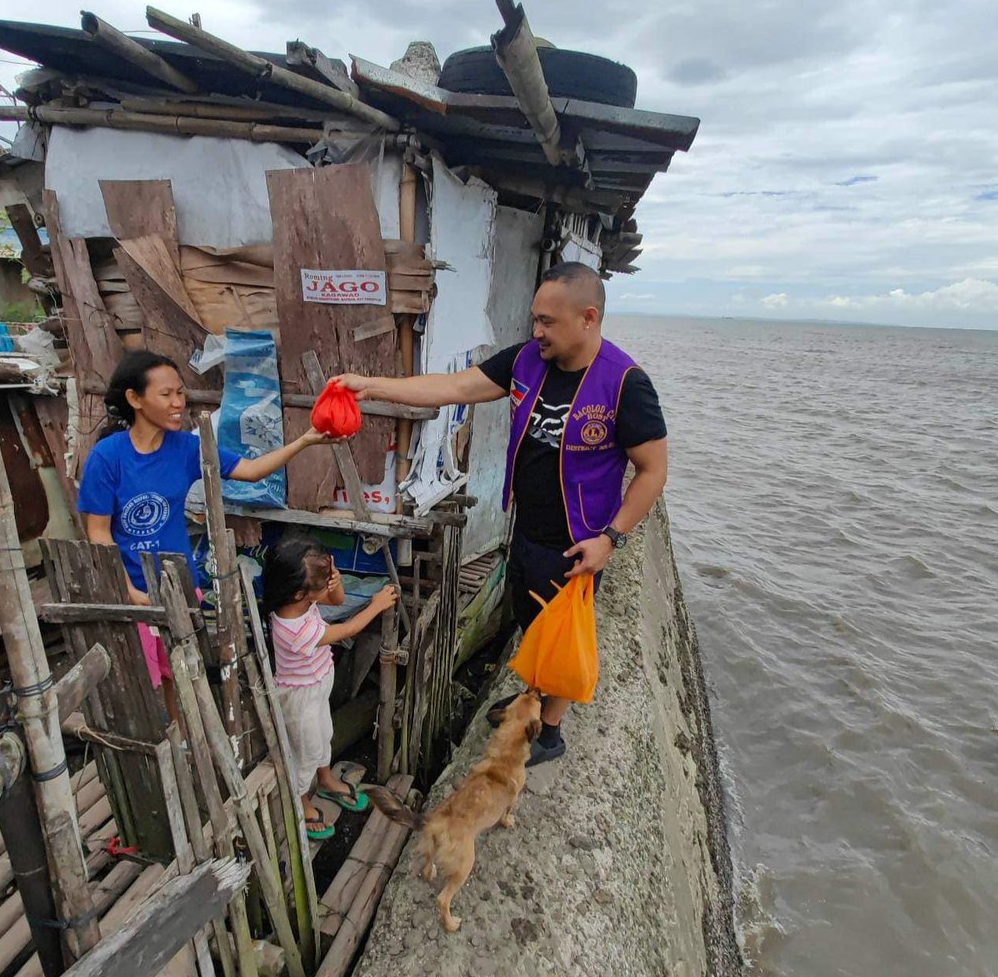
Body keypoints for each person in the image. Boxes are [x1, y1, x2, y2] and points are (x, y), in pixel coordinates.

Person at [336, 261, 668, 767]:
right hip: (527, 528)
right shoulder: (527, 361)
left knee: (560, 637)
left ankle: (549, 733)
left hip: (578, 541)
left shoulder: (626, 384)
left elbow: (652, 472)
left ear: (589, 318)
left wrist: (611, 540)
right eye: (534, 319)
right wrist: (371, 386)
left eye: (547, 322)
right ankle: (529, 699)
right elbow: (454, 388)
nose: (536, 331)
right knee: (532, 624)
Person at [78, 350, 333, 715]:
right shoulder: (108, 457)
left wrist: (304, 441)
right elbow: (99, 533)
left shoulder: (185, 448)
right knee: (135, 679)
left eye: (180, 392)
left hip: (179, 585)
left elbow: (251, 470)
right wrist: (128, 590)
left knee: (177, 673)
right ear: (135, 399)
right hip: (128, 590)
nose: (178, 402)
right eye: (166, 394)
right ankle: (156, 744)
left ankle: (181, 737)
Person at [262, 539, 400, 839]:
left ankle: (325, 780)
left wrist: (333, 581)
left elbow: (336, 601)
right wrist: (376, 605)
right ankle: (301, 802)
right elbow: (349, 628)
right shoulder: (293, 629)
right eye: (323, 583)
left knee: (324, 738)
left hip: (316, 687)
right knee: (305, 754)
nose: (329, 587)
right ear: (301, 593)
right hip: (299, 700)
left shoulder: (298, 602)